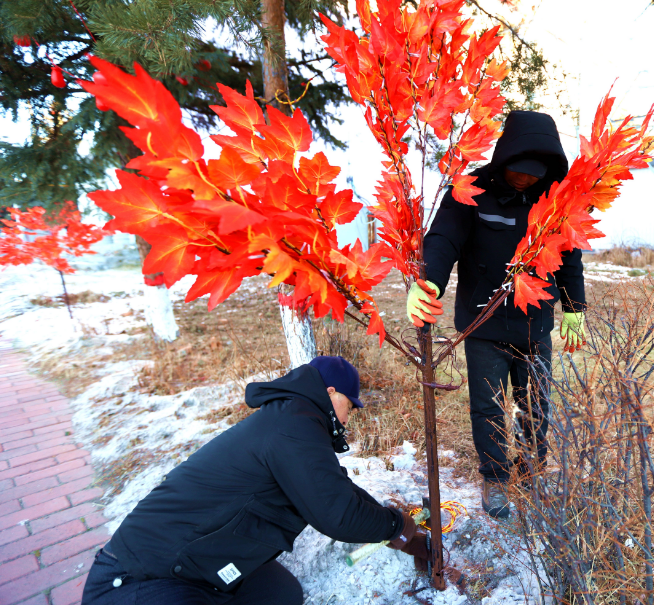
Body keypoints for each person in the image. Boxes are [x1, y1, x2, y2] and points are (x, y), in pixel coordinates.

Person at [81, 356, 429, 605]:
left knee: (280, 593)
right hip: (137, 577)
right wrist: (393, 526)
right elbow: (337, 514)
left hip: (198, 567)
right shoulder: (294, 425)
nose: (347, 418)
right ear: (332, 392)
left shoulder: (293, 420)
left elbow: (335, 489)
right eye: (349, 407)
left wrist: (392, 519)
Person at [407, 110, 587, 520]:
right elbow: (443, 240)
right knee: (488, 406)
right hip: (483, 325)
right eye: (518, 171)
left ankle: (532, 469)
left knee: (537, 403)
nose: (525, 179)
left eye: (534, 173)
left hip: (534, 324)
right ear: (504, 160)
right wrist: (429, 281)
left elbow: (570, 257)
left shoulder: (555, 199)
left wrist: (574, 307)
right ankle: (495, 477)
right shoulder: (471, 189)